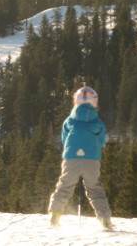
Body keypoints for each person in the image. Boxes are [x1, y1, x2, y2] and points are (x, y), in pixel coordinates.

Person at [48, 86, 112, 230]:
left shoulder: (69, 121)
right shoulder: (98, 123)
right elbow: (102, 141)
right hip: (92, 160)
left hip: (71, 158)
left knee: (64, 186)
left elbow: (64, 140)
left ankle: (54, 216)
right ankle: (105, 219)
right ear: (95, 102)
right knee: (94, 189)